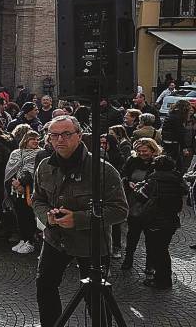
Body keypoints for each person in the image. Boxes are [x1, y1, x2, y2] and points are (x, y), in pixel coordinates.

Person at [32, 116, 128, 327]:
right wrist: (46, 216)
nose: (60, 140)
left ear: (79, 135)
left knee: (96, 298)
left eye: (66, 134)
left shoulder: (102, 170)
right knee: (45, 285)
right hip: (56, 239)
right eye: (54, 135)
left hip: (91, 243)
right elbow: (37, 199)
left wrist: (77, 219)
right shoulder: (44, 167)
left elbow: (120, 210)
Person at [134, 155, 189, 289]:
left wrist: (137, 188)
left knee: (158, 251)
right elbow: (185, 191)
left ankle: (162, 281)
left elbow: (142, 196)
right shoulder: (177, 179)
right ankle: (163, 278)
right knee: (163, 249)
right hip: (171, 220)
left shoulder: (154, 180)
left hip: (155, 220)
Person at [120, 137, 160, 271]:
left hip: (150, 204)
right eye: (140, 151)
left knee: (151, 237)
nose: (142, 153)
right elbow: (124, 173)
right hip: (133, 201)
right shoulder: (132, 160)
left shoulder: (158, 163)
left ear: (153, 150)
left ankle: (150, 264)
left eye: (145, 151)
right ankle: (128, 258)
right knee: (132, 234)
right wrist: (127, 182)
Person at [5, 130, 43, 254]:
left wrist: (21, 182)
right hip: (14, 190)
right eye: (33, 139)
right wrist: (14, 182)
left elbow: (34, 172)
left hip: (29, 190)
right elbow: (10, 169)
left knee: (29, 217)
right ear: (26, 140)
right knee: (19, 215)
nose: (36, 142)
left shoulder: (40, 153)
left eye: (38, 139)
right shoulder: (16, 152)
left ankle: (30, 242)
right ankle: (23, 238)